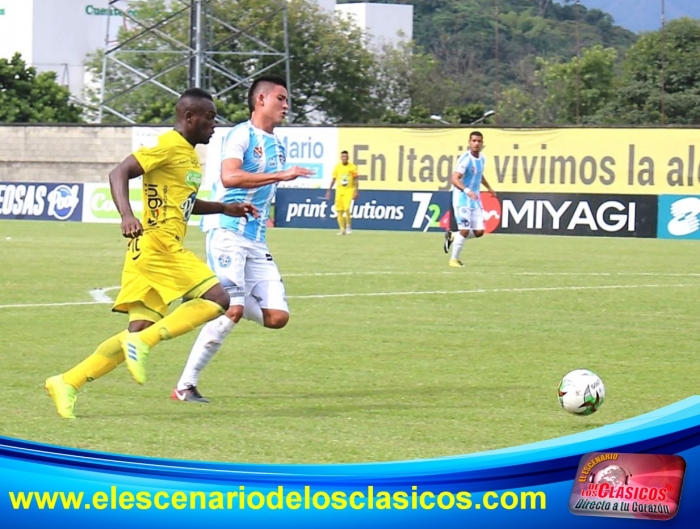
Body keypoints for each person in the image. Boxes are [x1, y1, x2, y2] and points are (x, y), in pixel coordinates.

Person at [44, 88, 259, 419]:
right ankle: (144, 343)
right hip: (159, 244)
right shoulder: (168, 145)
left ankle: (67, 382)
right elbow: (119, 172)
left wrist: (223, 208)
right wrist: (126, 215)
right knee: (219, 299)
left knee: (137, 329)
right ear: (189, 117)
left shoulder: (189, 155)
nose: (214, 124)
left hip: (145, 252)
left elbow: (185, 203)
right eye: (210, 117)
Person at [171, 74, 313, 403]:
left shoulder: (278, 145)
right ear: (260, 100)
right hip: (227, 231)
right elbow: (229, 176)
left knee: (277, 317)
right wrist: (282, 174)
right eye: (280, 98)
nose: (286, 105)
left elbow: (263, 188)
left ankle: (209, 293)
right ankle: (184, 386)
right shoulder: (241, 135)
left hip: (256, 240)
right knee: (233, 311)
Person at [448, 131, 497, 267]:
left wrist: (489, 188)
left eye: (479, 141)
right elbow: (454, 178)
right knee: (464, 230)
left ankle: (454, 236)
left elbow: (479, 175)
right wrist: (467, 191)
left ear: (482, 143)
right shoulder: (465, 159)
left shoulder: (482, 158)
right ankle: (454, 260)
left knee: (479, 232)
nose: (476, 143)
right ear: (469, 142)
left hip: (475, 200)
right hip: (462, 199)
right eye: (474, 141)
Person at [325, 150, 359, 235]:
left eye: (346, 157)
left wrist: (356, 191)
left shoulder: (353, 167)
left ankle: (348, 226)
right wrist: (329, 190)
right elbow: (334, 179)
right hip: (339, 191)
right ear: (341, 157)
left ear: (348, 157)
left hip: (349, 190)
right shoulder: (337, 167)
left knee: (347, 208)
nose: (344, 158)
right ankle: (341, 229)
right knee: (339, 210)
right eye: (343, 156)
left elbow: (356, 180)